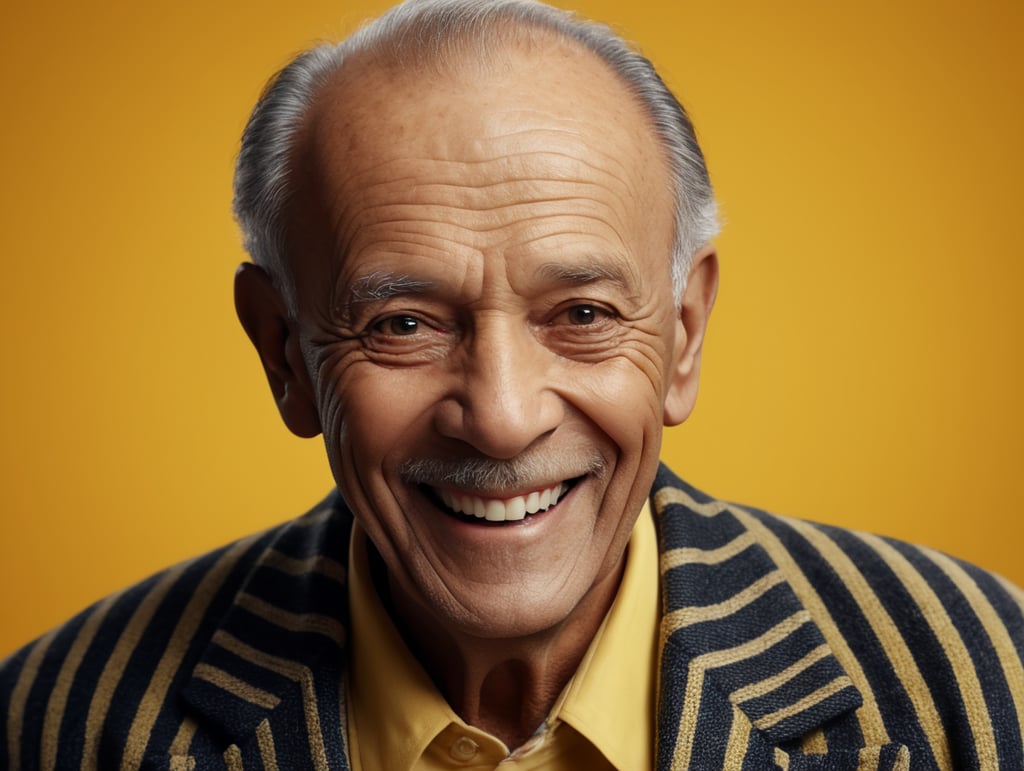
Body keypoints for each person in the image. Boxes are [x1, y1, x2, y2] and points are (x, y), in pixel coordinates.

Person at [2, 0, 1022, 768]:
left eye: (579, 316)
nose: (501, 416)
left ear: (683, 331)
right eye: (403, 325)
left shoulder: (986, 682)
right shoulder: (50, 723)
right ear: (282, 353)